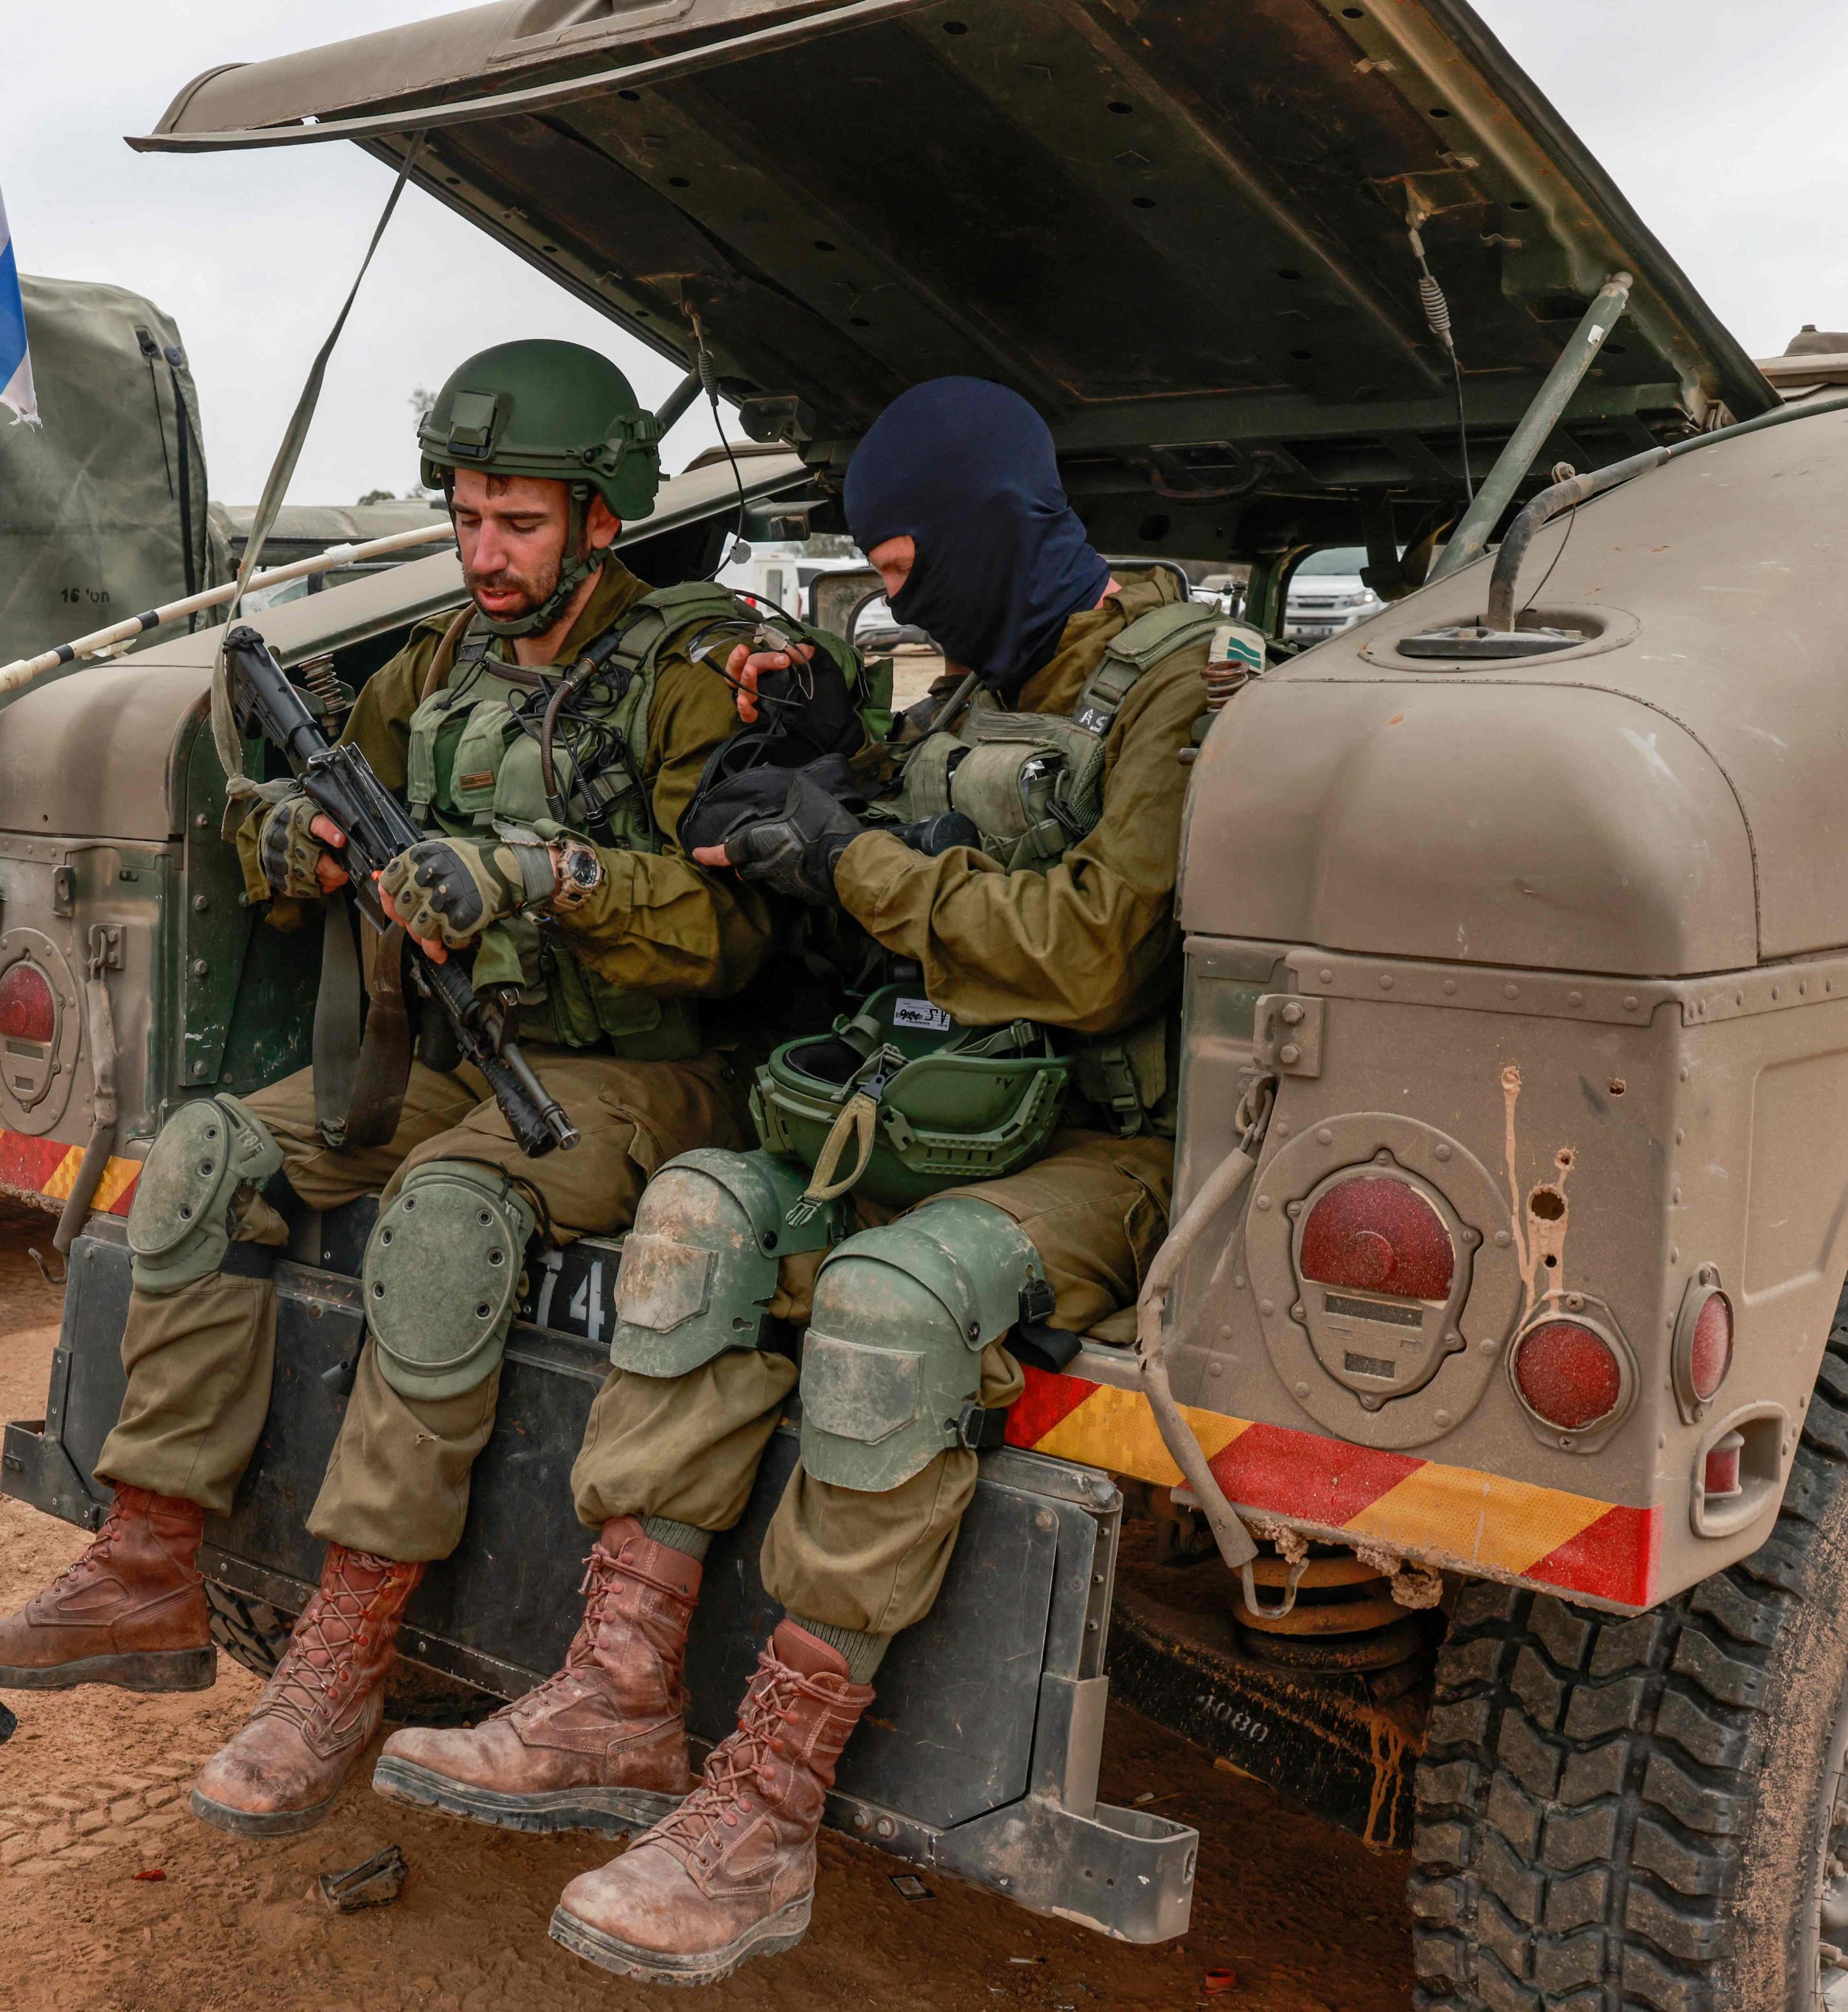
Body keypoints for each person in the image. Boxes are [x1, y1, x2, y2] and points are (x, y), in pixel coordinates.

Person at [372, 377, 1249, 1985]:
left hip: (1101, 1144)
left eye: (910, 568)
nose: (900, 601)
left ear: (996, 529)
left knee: (885, 1302)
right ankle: (620, 1698)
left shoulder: (1181, 693)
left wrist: (844, 851)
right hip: (920, 1106)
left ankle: (767, 1810)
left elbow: (1096, 953)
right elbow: (866, 882)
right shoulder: (965, 695)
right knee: (695, 1213)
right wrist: (819, 771)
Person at [0, 339, 841, 1840]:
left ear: (603, 517)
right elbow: (293, 813)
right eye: (467, 516)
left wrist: (535, 878)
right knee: (212, 1150)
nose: (483, 554)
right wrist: (284, 844)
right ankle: (151, 1559)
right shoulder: (435, 667)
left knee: (444, 1212)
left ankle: (342, 1657)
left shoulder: (691, 678)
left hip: (655, 1070)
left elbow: (743, 928)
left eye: (520, 523)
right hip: (448, 1048)